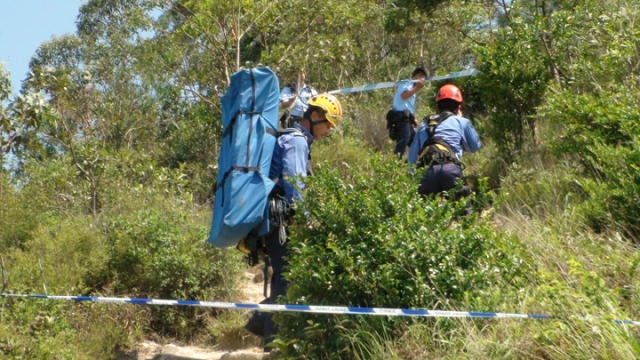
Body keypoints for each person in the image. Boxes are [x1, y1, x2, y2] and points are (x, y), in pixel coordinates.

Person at [245, 94, 343, 350]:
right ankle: (273, 341)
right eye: (327, 125)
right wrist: (306, 221)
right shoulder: (297, 141)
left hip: (276, 219)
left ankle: (262, 324)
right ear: (313, 116)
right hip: (281, 220)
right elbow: (294, 185)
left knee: (284, 276)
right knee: (286, 278)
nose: (328, 131)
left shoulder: (296, 139)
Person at [408, 84, 481, 199]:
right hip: (450, 169)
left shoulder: (424, 125)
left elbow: (411, 160)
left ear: (437, 106)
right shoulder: (462, 121)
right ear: (459, 107)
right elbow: (474, 147)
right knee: (463, 213)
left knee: (427, 215)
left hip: (427, 173)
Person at [389, 67, 427, 157]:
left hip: (407, 121)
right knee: (402, 144)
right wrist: (417, 88)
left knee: (417, 145)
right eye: (420, 76)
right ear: (414, 76)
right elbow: (403, 95)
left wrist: (413, 118)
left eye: (423, 77)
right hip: (401, 120)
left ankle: (419, 166)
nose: (422, 78)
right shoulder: (407, 83)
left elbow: (406, 105)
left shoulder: (413, 88)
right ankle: (393, 167)